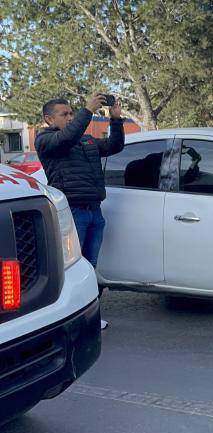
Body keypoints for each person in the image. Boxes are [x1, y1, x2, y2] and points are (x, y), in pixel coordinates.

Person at [36, 95, 125, 330]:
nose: (70, 117)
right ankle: (69, 321)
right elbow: (66, 138)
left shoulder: (85, 141)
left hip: (95, 212)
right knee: (72, 269)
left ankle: (91, 317)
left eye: (71, 113)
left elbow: (114, 146)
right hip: (74, 212)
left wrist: (116, 121)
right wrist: (87, 110)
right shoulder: (46, 141)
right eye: (64, 114)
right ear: (48, 119)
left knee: (89, 267)